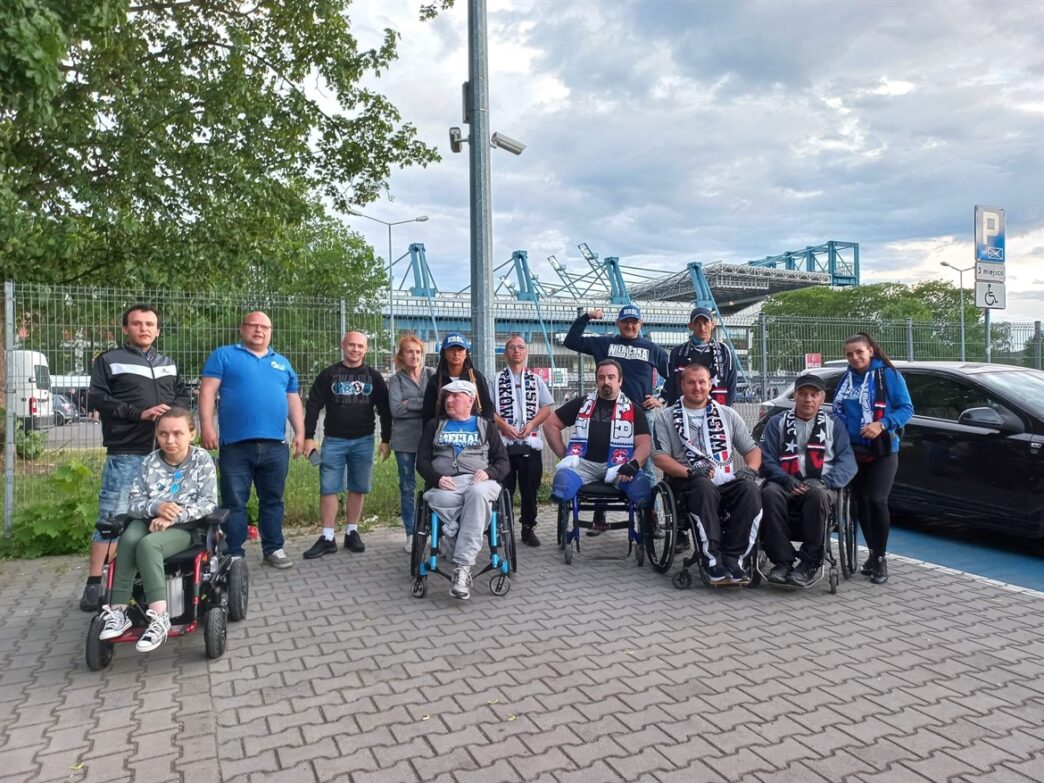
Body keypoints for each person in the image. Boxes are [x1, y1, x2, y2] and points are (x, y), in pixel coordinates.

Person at [83, 304, 189, 612]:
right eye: (137, 323)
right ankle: (94, 583)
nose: (144, 328)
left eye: (150, 324)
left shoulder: (168, 363)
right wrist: (137, 413)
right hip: (126, 452)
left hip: (165, 454)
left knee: (159, 513)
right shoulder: (109, 360)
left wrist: (172, 414)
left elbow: (183, 395)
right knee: (113, 517)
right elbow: (97, 398)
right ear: (125, 328)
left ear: (158, 330)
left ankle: (148, 579)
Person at [97, 407, 217, 652]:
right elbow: (134, 503)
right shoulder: (149, 462)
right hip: (148, 519)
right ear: (156, 434)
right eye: (163, 434)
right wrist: (157, 507)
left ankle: (160, 617)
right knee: (128, 539)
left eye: (177, 433)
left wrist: (173, 516)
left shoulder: (201, 460)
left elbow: (208, 503)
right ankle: (119, 611)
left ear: (191, 434)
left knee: (148, 545)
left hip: (187, 527)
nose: (170, 440)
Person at [199, 312, 305, 569]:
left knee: (273, 500)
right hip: (235, 445)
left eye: (264, 327)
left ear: (271, 331)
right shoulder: (224, 355)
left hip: (275, 446)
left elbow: (292, 399)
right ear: (242, 329)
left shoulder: (282, 363)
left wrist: (300, 433)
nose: (259, 330)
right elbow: (208, 391)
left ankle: (274, 548)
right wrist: (206, 426)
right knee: (235, 501)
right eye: (253, 325)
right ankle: (234, 553)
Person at [652, 364, 762, 584]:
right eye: (691, 382)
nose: (697, 387)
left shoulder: (727, 414)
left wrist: (751, 469)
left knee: (750, 489)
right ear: (682, 385)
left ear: (710, 385)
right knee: (703, 487)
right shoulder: (665, 417)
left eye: (702, 382)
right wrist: (691, 472)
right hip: (687, 481)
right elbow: (659, 457)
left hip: (723, 478)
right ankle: (712, 562)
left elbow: (752, 450)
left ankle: (734, 559)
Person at [759, 373, 857, 587]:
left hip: (820, 484)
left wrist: (826, 481)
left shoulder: (834, 425)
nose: (808, 399)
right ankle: (782, 561)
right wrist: (784, 479)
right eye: (803, 394)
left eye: (814, 395)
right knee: (769, 493)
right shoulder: (777, 422)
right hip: (784, 481)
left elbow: (848, 463)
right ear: (795, 396)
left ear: (822, 398)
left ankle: (809, 563)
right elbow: (765, 458)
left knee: (818, 495)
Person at [831, 332, 913, 585]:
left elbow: (906, 409)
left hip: (882, 450)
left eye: (859, 352)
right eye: (849, 354)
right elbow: (838, 410)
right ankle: (873, 553)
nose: (855, 358)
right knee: (862, 505)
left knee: (877, 500)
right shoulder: (846, 379)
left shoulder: (888, 375)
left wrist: (882, 423)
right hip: (853, 451)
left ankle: (881, 557)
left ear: (871, 351)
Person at [416, 380, 510, 600]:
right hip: (446, 484)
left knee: (477, 494)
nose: (449, 400)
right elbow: (422, 462)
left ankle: (462, 566)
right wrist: (437, 478)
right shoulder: (435, 425)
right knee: (448, 500)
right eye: (446, 396)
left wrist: (489, 473)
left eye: (455, 395)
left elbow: (503, 462)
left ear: (470, 400)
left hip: (479, 483)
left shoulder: (485, 426)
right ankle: (456, 536)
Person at [301, 331, 391, 559]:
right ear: (343, 345)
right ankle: (327, 537)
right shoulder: (329, 374)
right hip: (334, 441)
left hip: (364, 441)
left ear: (366, 349)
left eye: (360, 346)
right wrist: (308, 436)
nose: (355, 349)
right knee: (328, 487)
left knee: (358, 486)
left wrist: (386, 439)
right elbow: (313, 405)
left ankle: (352, 532)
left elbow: (385, 409)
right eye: (351, 345)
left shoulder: (373, 377)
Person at [543, 359, 653, 515]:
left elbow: (644, 444)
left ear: (620, 381)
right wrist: (565, 456)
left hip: (619, 465)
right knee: (562, 484)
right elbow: (550, 424)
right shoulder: (582, 404)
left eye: (611, 377)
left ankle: (648, 522)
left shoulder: (634, 409)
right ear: (596, 381)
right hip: (584, 464)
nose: (606, 381)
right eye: (601, 377)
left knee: (641, 487)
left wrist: (634, 464)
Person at [489, 335, 555, 547]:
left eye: (520, 347)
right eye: (512, 347)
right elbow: (488, 410)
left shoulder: (535, 380)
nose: (516, 351)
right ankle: (502, 527)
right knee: (503, 489)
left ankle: (528, 527)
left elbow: (547, 407)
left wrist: (532, 423)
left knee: (530, 489)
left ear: (526, 352)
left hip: (530, 443)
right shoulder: (495, 381)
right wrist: (503, 425)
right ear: (505, 353)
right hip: (503, 445)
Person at [564, 305, 669, 415]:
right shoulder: (604, 344)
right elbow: (571, 341)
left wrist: (661, 399)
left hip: (641, 414)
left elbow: (672, 375)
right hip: (608, 413)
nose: (629, 326)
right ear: (617, 322)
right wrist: (587, 316)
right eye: (625, 322)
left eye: (634, 322)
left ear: (640, 324)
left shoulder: (652, 349)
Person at [387, 335, 436, 552]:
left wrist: (411, 403)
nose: (414, 355)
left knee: (434, 484)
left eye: (418, 352)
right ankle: (411, 533)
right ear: (401, 356)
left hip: (430, 440)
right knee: (407, 487)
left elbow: (437, 404)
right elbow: (396, 409)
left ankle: (436, 531)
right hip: (404, 441)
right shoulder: (395, 380)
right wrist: (424, 405)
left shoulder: (432, 374)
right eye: (409, 351)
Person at [662, 306, 738, 406]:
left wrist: (725, 410)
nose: (702, 328)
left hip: (716, 409)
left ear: (713, 324)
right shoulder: (678, 352)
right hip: (684, 408)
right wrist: (662, 399)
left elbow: (731, 384)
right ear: (690, 326)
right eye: (697, 323)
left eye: (705, 322)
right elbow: (671, 383)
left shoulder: (724, 351)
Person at [421, 332, 495, 424]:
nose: (456, 353)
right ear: (444, 353)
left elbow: (487, 407)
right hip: (443, 431)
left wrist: (488, 429)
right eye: (451, 349)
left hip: (473, 430)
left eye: (460, 349)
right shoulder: (435, 381)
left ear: (466, 354)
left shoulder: (476, 377)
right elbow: (428, 414)